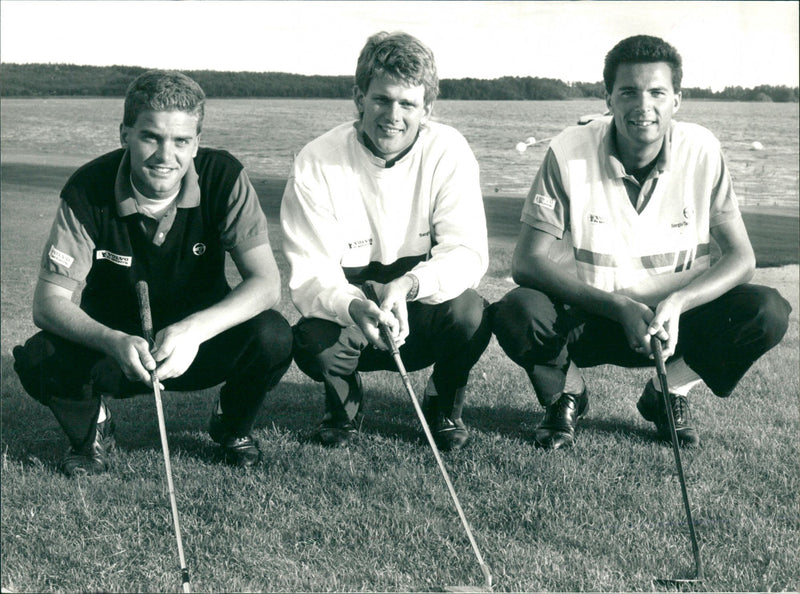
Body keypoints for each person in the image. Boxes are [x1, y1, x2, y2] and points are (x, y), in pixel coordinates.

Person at [491, 35, 791, 450]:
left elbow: (741, 258)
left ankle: (668, 393)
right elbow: (527, 262)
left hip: (675, 321)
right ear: (608, 98)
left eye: (657, 92)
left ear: (677, 100)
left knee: (767, 310)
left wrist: (679, 303)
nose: (643, 105)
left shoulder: (702, 150)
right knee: (516, 310)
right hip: (592, 315)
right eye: (628, 91)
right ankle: (568, 394)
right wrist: (617, 306)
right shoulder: (567, 151)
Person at [12, 70, 294, 476]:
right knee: (41, 357)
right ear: (124, 132)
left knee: (273, 335)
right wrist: (112, 340)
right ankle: (94, 430)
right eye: (151, 137)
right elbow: (48, 303)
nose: (166, 156)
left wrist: (195, 330)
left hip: (200, 344)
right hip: (118, 350)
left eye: (181, 141)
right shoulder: (87, 189)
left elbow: (266, 284)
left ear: (196, 142)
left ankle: (231, 426)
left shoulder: (225, 177)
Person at [281, 31, 491, 451]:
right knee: (309, 342)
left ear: (427, 108)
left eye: (408, 104)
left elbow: (466, 252)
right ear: (359, 97)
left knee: (471, 314)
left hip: (420, 310)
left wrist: (410, 285)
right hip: (354, 314)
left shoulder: (448, 150)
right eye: (381, 99)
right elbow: (311, 275)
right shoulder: (316, 160)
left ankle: (443, 404)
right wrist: (355, 306)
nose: (393, 115)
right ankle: (344, 405)